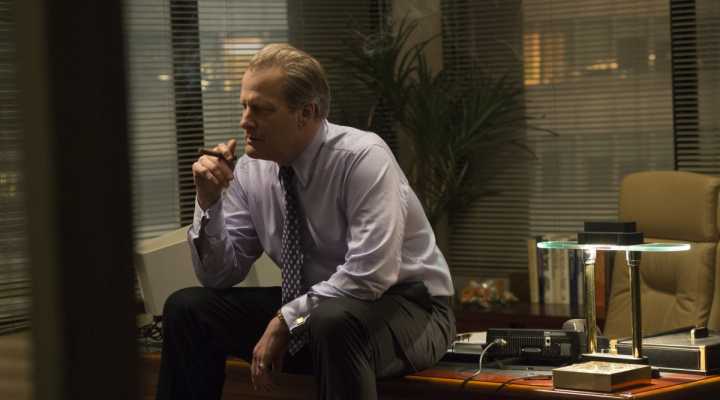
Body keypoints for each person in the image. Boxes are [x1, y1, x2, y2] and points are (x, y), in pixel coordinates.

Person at [156, 43, 455, 400]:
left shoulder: (362, 158)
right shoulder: (251, 170)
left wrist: (287, 319)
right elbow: (218, 276)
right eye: (244, 106)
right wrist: (209, 201)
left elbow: (370, 274)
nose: (245, 121)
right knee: (187, 309)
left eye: (261, 109)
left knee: (332, 321)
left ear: (306, 113)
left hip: (411, 307)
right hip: (315, 308)